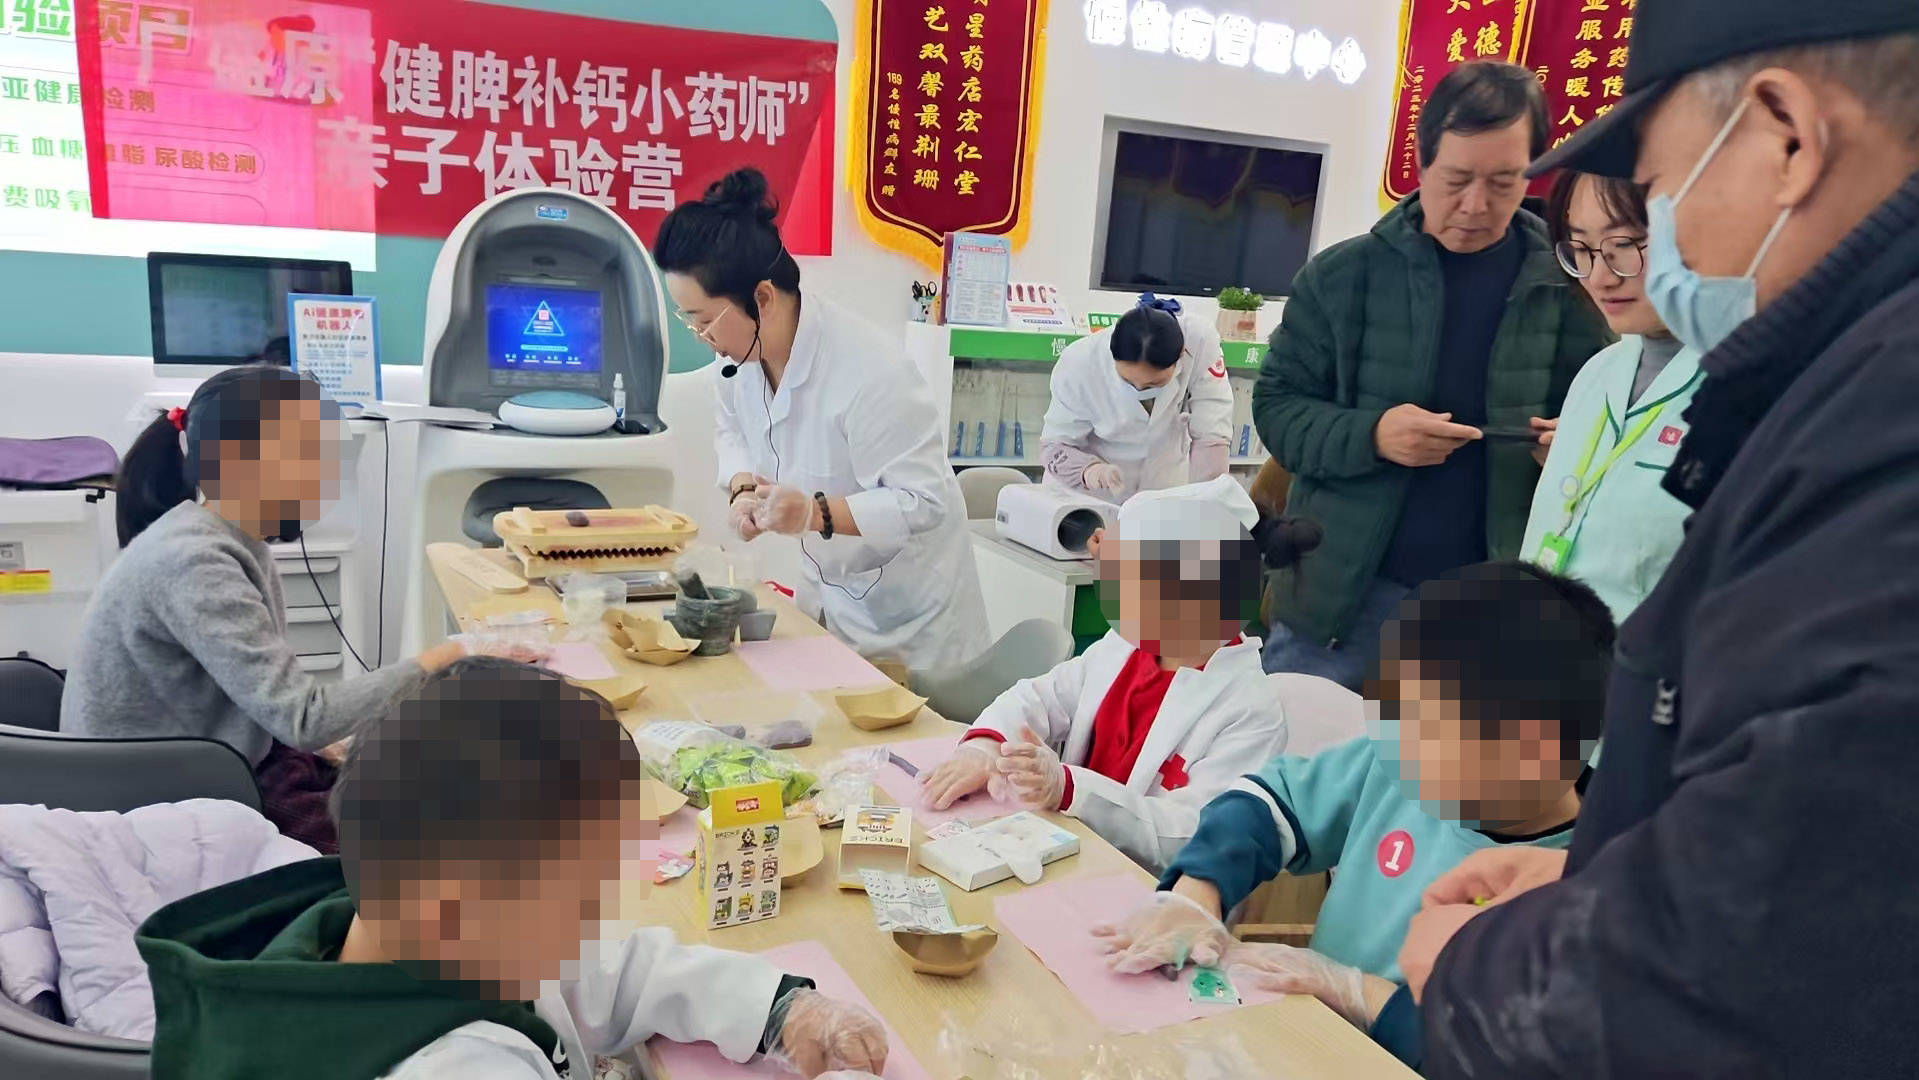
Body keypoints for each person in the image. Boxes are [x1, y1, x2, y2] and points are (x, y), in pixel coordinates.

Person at [1397, 5, 1919, 1076]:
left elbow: (1781, 924)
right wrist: (1602, 872)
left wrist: (1482, 977)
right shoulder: (1830, 378)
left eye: (1660, 191)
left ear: (1784, 138)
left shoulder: (1884, 415)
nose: (1645, 255)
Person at [135, 658, 887, 1079]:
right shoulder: (448, 1067)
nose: (596, 919)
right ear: (454, 908)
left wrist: (781, 1009)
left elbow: (606, 973)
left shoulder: (422, 931)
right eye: (583, 895)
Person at [1093, 562, 1611, 1061]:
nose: (1402, 746)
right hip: (1301, 1037)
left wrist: (1358, 993)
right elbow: (1264, 805)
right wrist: (1197, 893)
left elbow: (1500, 1058)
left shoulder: (1597, 891)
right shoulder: (1400, 766)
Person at [1254, 61, 1614, 689]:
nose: (1476, 205)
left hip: (1494, 604)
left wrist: (1574, 445)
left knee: (1455, 759)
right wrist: (1373, 436)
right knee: (1302, 745)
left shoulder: (1569, 286)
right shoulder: (1342, 279)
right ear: (1420, 166)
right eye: (1457, 179)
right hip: (1346, 600)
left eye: (1503, 182)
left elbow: (1611, 412)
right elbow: (1278, 409)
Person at [60, 366, 466, 851]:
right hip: (167, 792)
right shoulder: (193, 560)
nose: (324, 475)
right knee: (419, 844)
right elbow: (305, 718)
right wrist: (453, 653)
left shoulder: (230, 538)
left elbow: (272, 703)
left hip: (222, 756)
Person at [655, 168, 989, 672]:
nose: (701, 336)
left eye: (704, 320)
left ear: (762, 298)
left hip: (910, 617)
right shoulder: (740, 361)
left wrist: (815, 514)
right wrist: (742, 489)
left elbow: (923, 502)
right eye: (689, 321)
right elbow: (732, 430)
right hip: (829, 595)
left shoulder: (872, 370)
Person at [918, 477, 1321, 872]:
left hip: (1147, 887)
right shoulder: (1123, 648)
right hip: (1064, 852)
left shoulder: (1250, 710)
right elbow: (1039, 697)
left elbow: (1196, 833)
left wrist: (1072, 790)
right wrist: (985, 751)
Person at [1519, 170, 1703, 622]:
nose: (1600, 277)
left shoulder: (1751, 388)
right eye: (1582, 250)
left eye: (1624, 246)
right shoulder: (1599, 371)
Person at [1039, 293, 1235, 501]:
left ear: (1180, 357)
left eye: (1154, 384)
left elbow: (1212, 428)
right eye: (1128, 381)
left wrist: (1210, 495)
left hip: (1163, 488)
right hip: (1087, 496)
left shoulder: (1199, 343)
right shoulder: (1080, 362)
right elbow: (1053, 446)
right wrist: (1089, 471)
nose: (1140, 389)